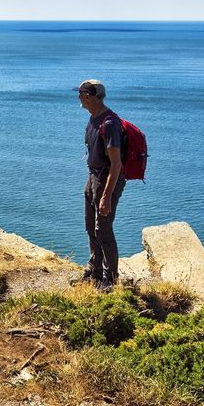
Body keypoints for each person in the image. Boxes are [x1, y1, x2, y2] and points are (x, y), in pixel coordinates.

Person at [75, 79, 125, 290]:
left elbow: (116, 164)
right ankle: (94, 272)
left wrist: (106, 196)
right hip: (93, 176)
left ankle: (110, 279)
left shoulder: (110, 123)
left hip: (106, 179)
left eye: (81, 94)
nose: (79, 97)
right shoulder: (93, 118)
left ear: (90, 96)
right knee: (91, 227)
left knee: (103, 229)